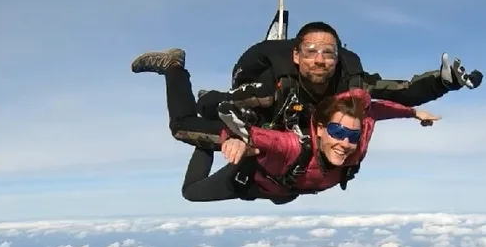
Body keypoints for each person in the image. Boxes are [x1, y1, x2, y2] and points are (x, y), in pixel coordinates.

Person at [131, 21, 481, 150]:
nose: (320, 59)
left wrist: (444, 81)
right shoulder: (272, 85)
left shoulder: (350, 81)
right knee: (185, 125)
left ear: (336, 57)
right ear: (296, 56)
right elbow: (231, 109)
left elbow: (399, 90)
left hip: (285, 121)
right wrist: (242, 138)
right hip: (255, 113)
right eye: (311, 51)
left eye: (328, 53)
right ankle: (174, 66)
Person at [178, 88, 440, 205]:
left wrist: (414, 113)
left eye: (353, 135)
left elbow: (377, 110)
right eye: (337, 132)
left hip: (286, 188)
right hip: (251, 180)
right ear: (320, 129)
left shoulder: (359, 137)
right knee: (191, 193)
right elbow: (252, 136)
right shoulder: (290, 146)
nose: (345, 143)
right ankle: (176, 69)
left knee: (283, 198)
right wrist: (231, 141)